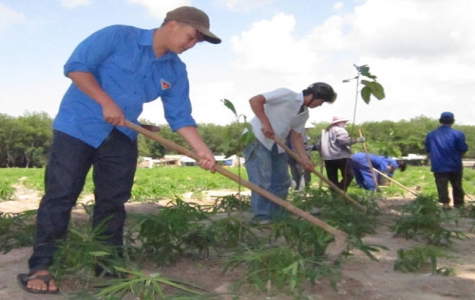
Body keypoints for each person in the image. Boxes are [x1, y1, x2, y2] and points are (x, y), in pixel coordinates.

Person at [18, 6, 220, 294]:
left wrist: (203, 151)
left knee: (113, 202)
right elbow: (76, 66)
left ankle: (108, 263)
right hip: (78, 126)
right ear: (173, 25)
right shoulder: (118, 36)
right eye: (191, 37)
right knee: (61, 196)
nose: (191, 45)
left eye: (197, 42)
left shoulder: (175, 70)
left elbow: (180, 116)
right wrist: (105, 102)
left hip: (123, 133)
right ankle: (41, 266)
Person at [243, 82, 337, 224]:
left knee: (282, 181)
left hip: (277, 145)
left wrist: (304, 159)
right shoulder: (287, 95)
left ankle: (277, 215)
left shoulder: (304, 114)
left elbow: (296, 137)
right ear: (314, 95)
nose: (320, 105)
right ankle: (261, 218)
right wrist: (266, 124)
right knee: (262, 180)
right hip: (257, 139)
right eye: (321, 101)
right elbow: (255, 100)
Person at [425, 112, 468, 209]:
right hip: (454, 164)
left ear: (440, 121)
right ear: (452, 121)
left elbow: (428, 149)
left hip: (439, 165)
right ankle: (459, 205)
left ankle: (445, 205)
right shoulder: (458, 134)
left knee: (441, 186)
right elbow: (463, 148)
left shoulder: (431, 135)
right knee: (457, 185)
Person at [317, 116, 365, 191]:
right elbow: (344, 142)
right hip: (340, 156)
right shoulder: (340, 130)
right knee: (349, 175)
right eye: (344, 122)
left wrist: (321, 154)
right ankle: (340, 190)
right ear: (339, 122)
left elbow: (319, 145)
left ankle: (335, 193)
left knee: (332, 179)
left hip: (328, 157)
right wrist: (357, 140)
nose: (345, 124)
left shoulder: (325, 131)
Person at [286, 124, 316, 190]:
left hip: (291, 157)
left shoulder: (288, 135)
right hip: (299, 157)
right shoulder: (300, 135)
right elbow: (304, 146)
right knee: (303, 175)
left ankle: (296, 190)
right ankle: (304, 190)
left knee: (295, 175)